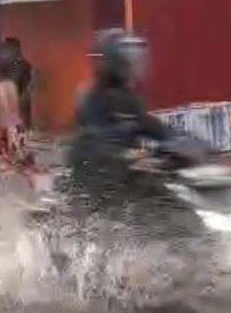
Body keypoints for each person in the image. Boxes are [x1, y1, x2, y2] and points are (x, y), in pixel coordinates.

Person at [69, 30, 173, 208]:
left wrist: (178, 141)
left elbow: (147, 124)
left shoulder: (129, 97)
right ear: (113, 61)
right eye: (129, 58)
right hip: (101, 179)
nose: (134, 64)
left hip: (130, 174)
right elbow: (94, 140)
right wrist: (124, 155)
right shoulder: (92, 98)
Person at [0, 60, 32, 170]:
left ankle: (3, 163)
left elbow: (4, 102)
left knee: (3, 142)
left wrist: (5, 119)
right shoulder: (12, 85)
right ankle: (19, 160)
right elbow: (16, 101)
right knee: (15, 142)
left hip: (5, 119)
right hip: (16, 117)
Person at [0, 38, 34, 130]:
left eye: (7, 49)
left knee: (21, 128)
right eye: (4, 49)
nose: (4, 52)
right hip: (9, 104)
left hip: (20, 102)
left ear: (16, 49)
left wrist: (23, 97)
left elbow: (30, 84)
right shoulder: (6, 66)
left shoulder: (24, 65)